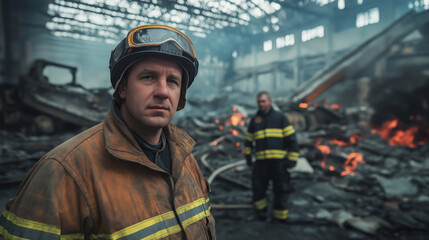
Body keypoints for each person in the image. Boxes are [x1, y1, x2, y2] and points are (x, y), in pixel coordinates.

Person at [0, 25, 216, 239]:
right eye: (148, 77)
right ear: (122, 89)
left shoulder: (185, 159)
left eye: (172, 81)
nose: (162, 91)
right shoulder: (63, 171)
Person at [244, 91, 299, 223]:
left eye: (263, 101)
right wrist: (249, 161)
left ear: (270, 101)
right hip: (261, 164)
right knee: (258, 190)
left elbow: (292, 140)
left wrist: (291, 160)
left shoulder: (280, 118)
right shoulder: (255, 120)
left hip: (279, 164)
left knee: (281, 190)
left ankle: (279, 218)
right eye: (259, 102)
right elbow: (248, 143)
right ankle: (261, 214)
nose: (261, 104)